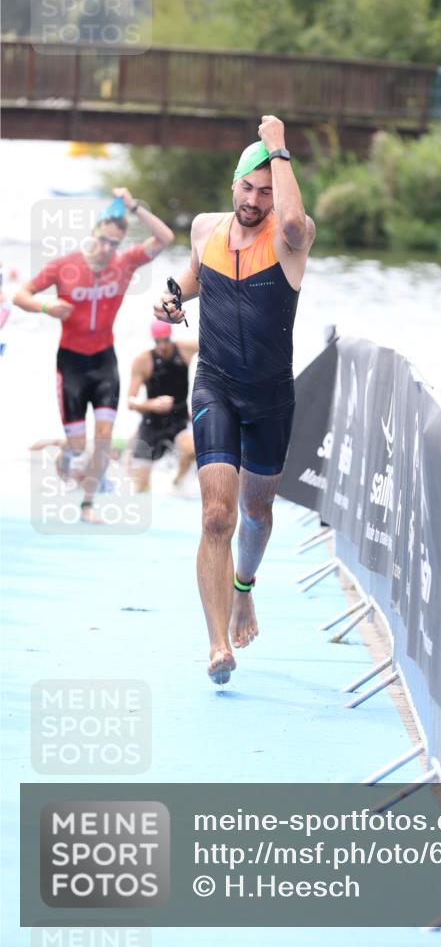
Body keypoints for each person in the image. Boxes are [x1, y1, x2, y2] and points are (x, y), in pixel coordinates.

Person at [153, 115, 316, 686]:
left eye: (265, 190)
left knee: (256, 511)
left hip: (271, 396)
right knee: (217, 515)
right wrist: (172, 298)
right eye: (247, 187)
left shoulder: (291, 237)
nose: (254, 200)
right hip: (216, 383)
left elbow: (294, 218)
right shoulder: (205, 229)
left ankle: (244, 591)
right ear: (232, 185)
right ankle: (218, 643)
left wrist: (278, 148)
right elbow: (195, 277)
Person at [14, 188, 174, 523]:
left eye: (114, 243)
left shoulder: (125, 263)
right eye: (102, 240)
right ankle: (66, 451)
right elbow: (21, 295)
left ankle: (88, 505)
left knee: (102, 439)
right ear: (92, 234)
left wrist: (134, 205)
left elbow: (165, 236)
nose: (106, 249)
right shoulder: (64, 266)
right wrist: (46, 306)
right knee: (77, 445)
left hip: (104, 362)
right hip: (71, 364)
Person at [128, 320, 198, 491]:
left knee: (192, 450)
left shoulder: (184, 349)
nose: (162, 346)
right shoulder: (143, 360)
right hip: (152, 424)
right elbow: (131, 401)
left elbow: (214, 341)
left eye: (165, 340)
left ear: (170, 337)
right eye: (157, 341)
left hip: (178, 420)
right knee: (140, 487)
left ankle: (177, 483)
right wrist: (152, 404)